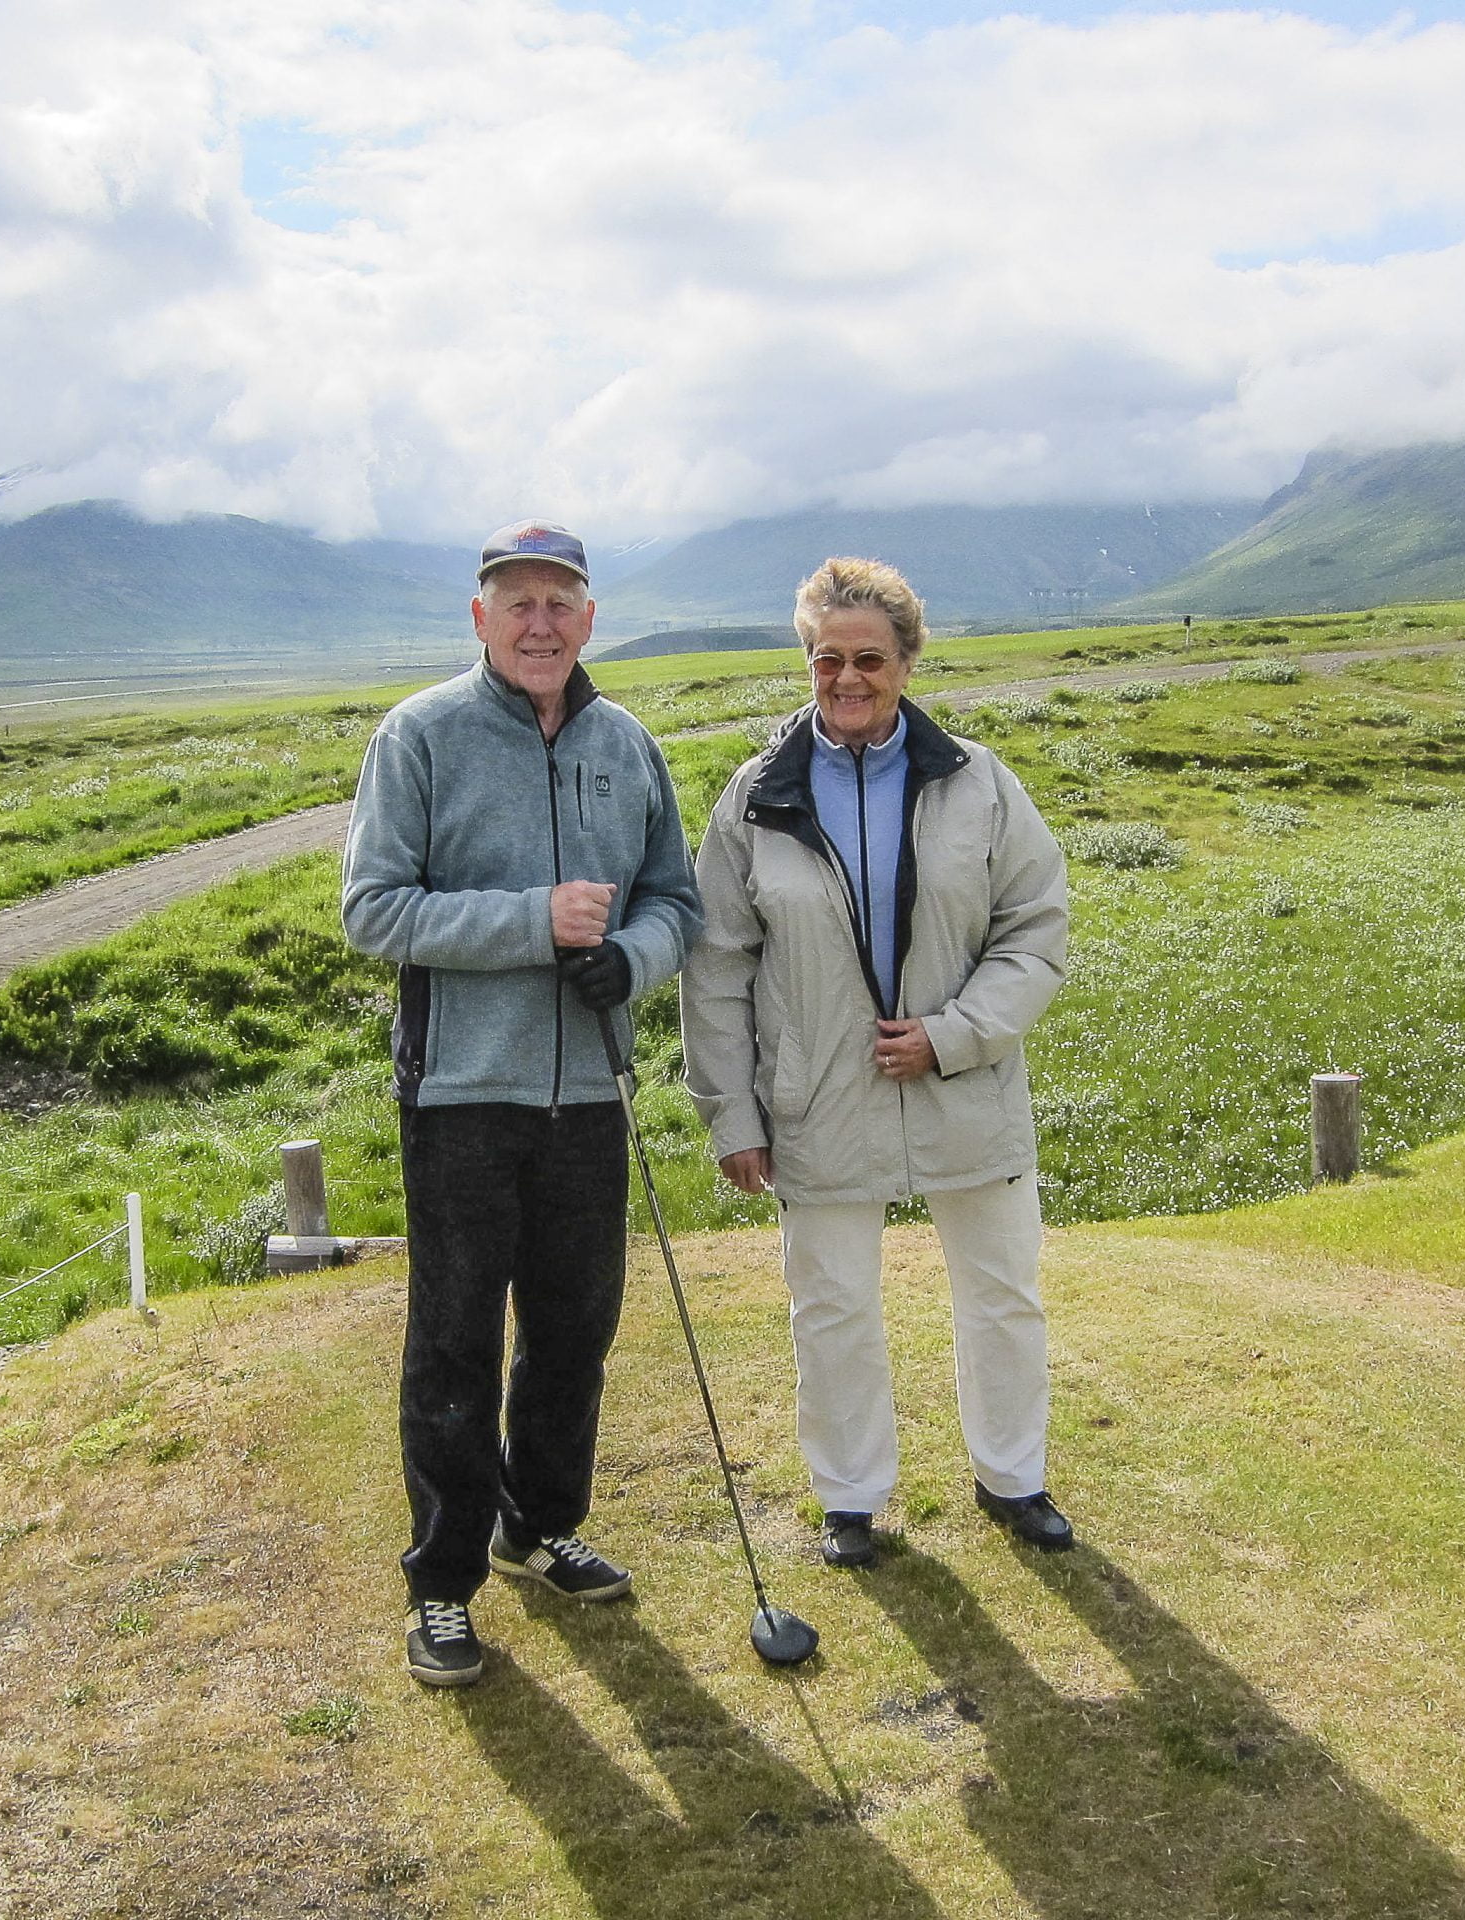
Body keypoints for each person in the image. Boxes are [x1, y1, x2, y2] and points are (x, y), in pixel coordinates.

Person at [343, 520, 703, 1688]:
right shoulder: (420, 737)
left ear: (590, 618)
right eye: (517, 601)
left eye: (560, 601)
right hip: (460, 1096)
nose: (539, 621)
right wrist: (531, 924)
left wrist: (634, 960)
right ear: (480, 616)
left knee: (572, 1335)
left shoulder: (627, 745)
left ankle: (536, 1528)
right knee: (451, 1345)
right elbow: (374, 912)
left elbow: (674, 901)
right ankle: (441, 1587)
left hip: (590, 1092)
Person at [680, 556, 1072, 1571]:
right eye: (826, 659)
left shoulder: (980, 784)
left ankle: (1013, 1478)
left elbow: (1034, 932)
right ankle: (849, 1499)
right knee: (832, 1306)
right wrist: (733, 1114)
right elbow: (715, 966)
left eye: (869, 659)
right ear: (804, 662)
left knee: (1001, 1294)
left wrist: (952, 1033)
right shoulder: (754, 800)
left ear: (905, 663)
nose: (846, 680)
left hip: (967, 1091)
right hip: (815, 1103)